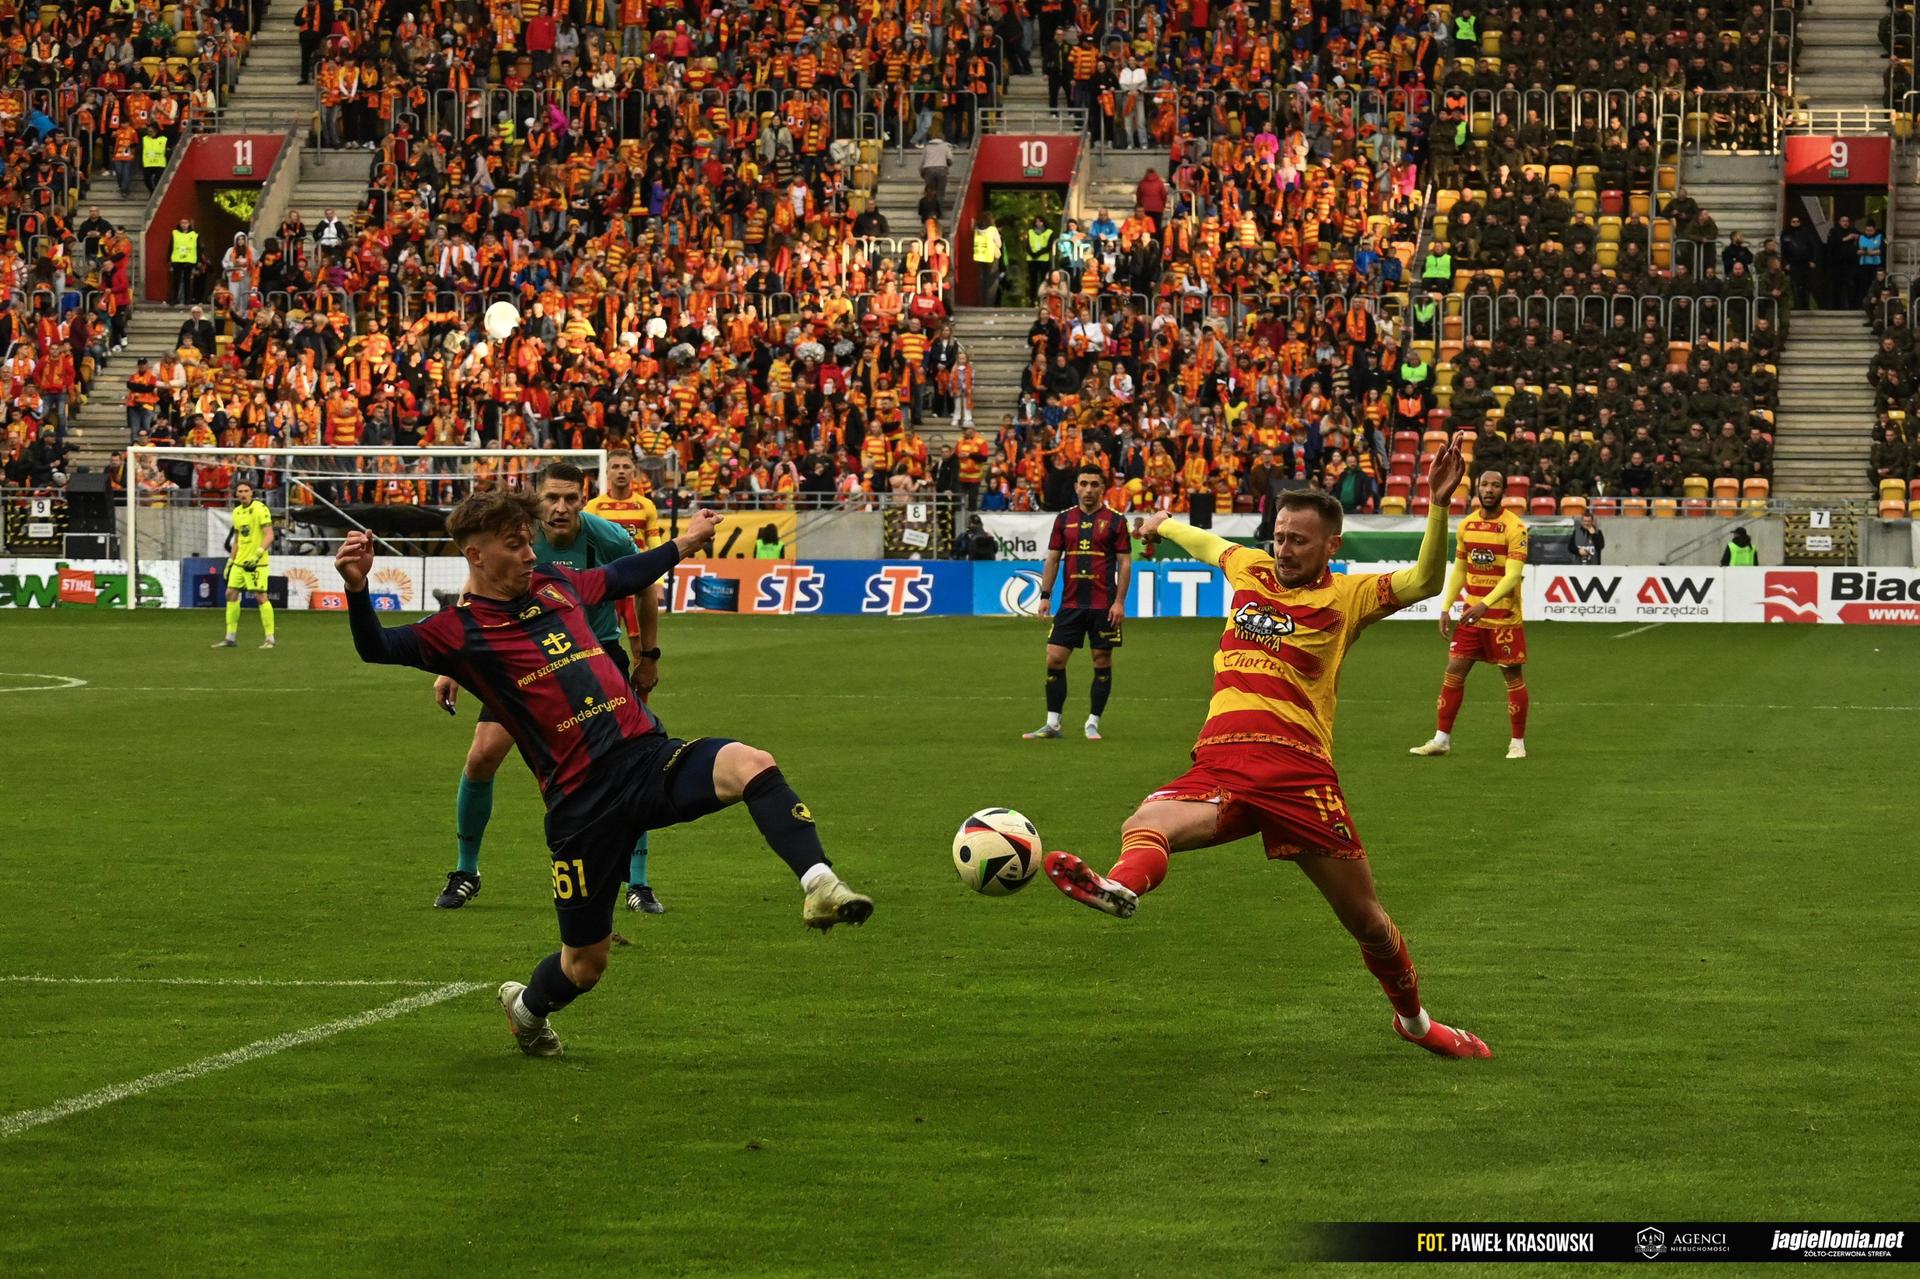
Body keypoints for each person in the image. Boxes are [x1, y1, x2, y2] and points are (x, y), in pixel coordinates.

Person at [337, 493, 874, 1058]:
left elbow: (622, 575)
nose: (530, 554)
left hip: (646, 760)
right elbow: (377, 646)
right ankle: (526, 1009)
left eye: (528, 542)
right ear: (475, 554)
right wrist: (357, 588)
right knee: (585, 965)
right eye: (515, 545)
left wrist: (685, 541)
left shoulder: (556, 585)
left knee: (751, 762)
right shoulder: (456, 630)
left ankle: (819, 883)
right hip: (580, 808)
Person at [1041, 436, 1490, 1059]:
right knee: (1145, 823)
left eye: (1299, 540)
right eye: (1279, 536)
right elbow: (1208, 543)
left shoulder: (1348, 596)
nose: (1283, 549)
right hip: (1222, 761)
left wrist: (1438, 506)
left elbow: (1424, 579)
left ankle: (1415, 1023)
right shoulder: (1249, 568)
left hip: (1298, 774)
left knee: (1365, 919)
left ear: (1332, 546)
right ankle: (1120, 888)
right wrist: (1163, 524)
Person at [434, 462, 667, 915]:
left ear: (584, 499)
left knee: (633, 764)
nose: (560, 508)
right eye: (551, 498)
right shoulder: (517, 536)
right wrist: (451, 666)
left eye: (570, 498)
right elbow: (476, 588)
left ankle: (637, 882)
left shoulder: (609, 538)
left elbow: (644, 587)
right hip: (524, 655)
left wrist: (648, 656)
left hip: (595, 655)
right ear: (536, 498)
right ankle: (466, 871)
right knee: (481, 757)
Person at [1410, 470, 1531, 761]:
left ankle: (1517, 743)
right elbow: (1460, 569)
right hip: (1472, 616)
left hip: (1503, 617)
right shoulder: (1466, 525)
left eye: (1495, 485)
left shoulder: (1515, 528)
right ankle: (1441, 740)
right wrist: (1446, 606)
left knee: (1512, 675)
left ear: (1503, 491)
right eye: (1485, 484)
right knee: (1454, 670)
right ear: (1477, 488)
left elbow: (1513, 575)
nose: (1489, 489)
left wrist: (1485, 604)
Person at [1023, 465, 1132, 741]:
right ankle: (1052, 724)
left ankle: (1093, 722)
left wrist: (1119, 602)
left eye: (1094, 484)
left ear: (1102, 488)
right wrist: (1045, 596)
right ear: (1076, 487)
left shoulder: (1117, 521)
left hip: (1103, 605)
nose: (1088, 489)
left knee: (1101, 659)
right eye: (1084, 484)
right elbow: (1052, 559)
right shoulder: (1063, 520)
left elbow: (1124, 563)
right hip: (1070, 604)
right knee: (1054, 657)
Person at [212, 481, 276, 649]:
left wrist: (258, 553)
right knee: (230, 593)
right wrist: (230, 561)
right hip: (240, 562)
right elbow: (237, 540)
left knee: (260, 596)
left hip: (256, 563)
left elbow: (269, 535)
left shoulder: (260, 509)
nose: (243, 494)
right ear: (236, 494)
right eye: (240, 491)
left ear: (252, 492)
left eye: (246, 491)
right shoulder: (237, 512)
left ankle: (270, 639)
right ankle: (230, 637)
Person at [973, 216, 1004, 305]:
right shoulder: (992, 230)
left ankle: (983, 301)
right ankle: (989, 302)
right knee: (992, 282)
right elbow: (999, 244)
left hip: (980, 257)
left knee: (983, 281)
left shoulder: (977, 230)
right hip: (991, 257)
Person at [168, 217, 199, 306]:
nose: (184, 225)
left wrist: (197, 261)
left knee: (187, 281)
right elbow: (171, 246)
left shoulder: (194, 234)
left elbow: (197, 248)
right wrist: (169, 260)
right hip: (177, 260)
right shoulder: (175, 233)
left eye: (186, 223)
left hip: (189, 260)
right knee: (176, 281)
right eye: (182, 223)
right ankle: (174, 299)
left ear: (189, 224)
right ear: (179, 224)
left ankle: (187, 300)